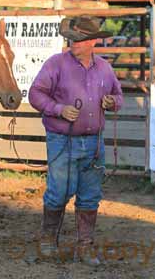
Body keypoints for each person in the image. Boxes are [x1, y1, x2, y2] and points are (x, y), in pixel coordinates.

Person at [28, 15, 123, 265]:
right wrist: (58, 109)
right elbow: (35, 94)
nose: (73, 43)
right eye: (71, 39)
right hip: (62, 139)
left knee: (90, 194)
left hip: (94, 141)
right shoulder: (55, 64)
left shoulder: (105, 68)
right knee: (58, 192)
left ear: (92, 42)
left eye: (79, 40)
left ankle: (85, 245)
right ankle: (48, 240)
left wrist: (112, 102)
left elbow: (118, 95)